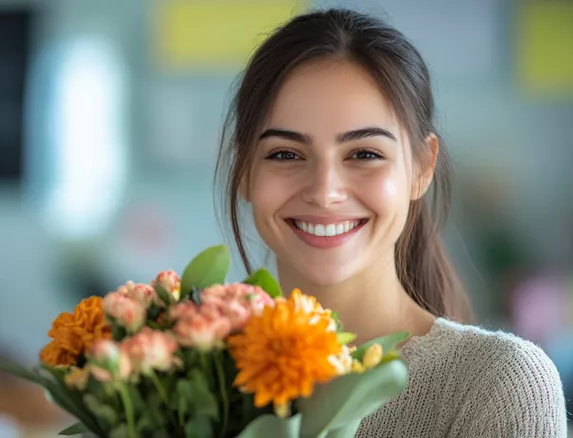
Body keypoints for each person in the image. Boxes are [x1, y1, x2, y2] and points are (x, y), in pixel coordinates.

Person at [214, 8, 568, 437]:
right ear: (245, 171)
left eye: (364, 154)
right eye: (286, 154)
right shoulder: (182, 369)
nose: (325, 192)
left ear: (422, 166)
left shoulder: (497, 384)